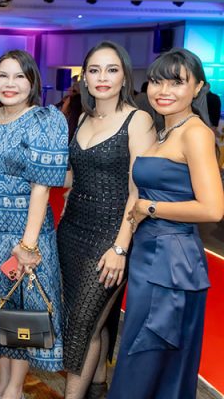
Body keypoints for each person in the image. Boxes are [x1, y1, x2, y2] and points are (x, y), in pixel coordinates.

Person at [109, 48, 224, 399]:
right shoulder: (165, 130)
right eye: (157, 82)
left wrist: (150, 206)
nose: (163, 91)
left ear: (198, 87)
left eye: (176, 83)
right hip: (151, 254)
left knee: (149, 352)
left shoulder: (195, 133)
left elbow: (213, 209)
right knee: (143, 350)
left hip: (171, 263)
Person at [0, 50, 69, 399]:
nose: (10, 84)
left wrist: (28, 245)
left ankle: (14, 389)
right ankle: (2, 384)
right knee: (0, 312)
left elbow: (42, 187)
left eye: (19, 76)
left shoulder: (44, 119)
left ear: (32, 82)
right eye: (3, 76)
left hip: (25, 235)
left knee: (22, 314)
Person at [56, 42, 155, 399]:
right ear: (84, 77)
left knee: (82, 325)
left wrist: (120, 248)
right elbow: (73, 177)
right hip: (71, 231)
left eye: (112, 69)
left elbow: (137, 191)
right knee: (90, 320)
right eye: (94, 70)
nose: (102, 77)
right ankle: (97, 388)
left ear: (125, 76)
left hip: (111, 236)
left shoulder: (137, 120)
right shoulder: (83, 117)